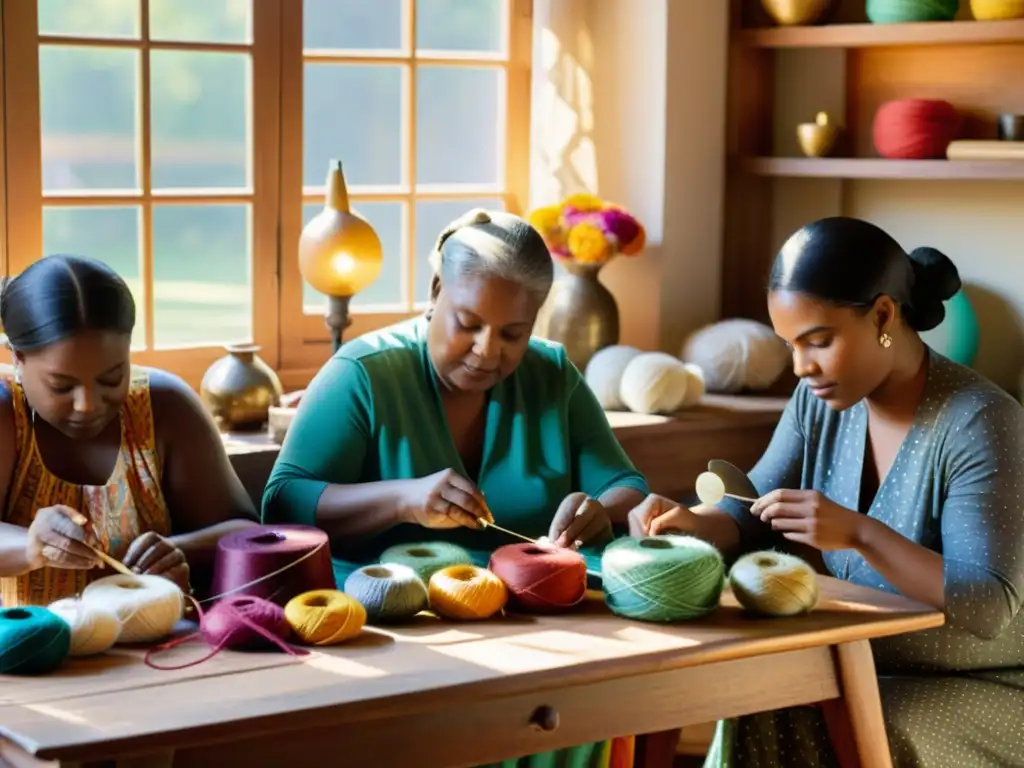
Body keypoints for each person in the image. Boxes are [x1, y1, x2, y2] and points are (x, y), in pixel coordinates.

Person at [628, 216, 1024, 768]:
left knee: (868, 726)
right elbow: (754, 508)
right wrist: (693, 523)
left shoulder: (979, 421)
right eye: (791, 345)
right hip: (857, 659)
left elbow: (988, 603)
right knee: (764, 702)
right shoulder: (820, 400)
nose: (800, 367)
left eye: (818, 342)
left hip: (983, 683)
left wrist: (858, 533)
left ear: (884, 314)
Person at [262, 208, 647, 768]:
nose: (488, 351)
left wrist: (599, 510)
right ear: (437, 289)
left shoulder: (551, 374)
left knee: (581, 704)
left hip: (531, 636)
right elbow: (282, 502)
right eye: (468, 323)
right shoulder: (366, 372)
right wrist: (403, 498)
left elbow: (626, 485)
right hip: (396, 639)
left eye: (513, 334)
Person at [0, 254, 258, 607]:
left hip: (156, 650)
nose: (88, 404)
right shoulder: (5, 414)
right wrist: (31, 545)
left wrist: (180, 550)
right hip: (28, 656)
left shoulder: (165, 408)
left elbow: (250, 535)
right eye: (62, 386)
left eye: (111, 378)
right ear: (16, 358)